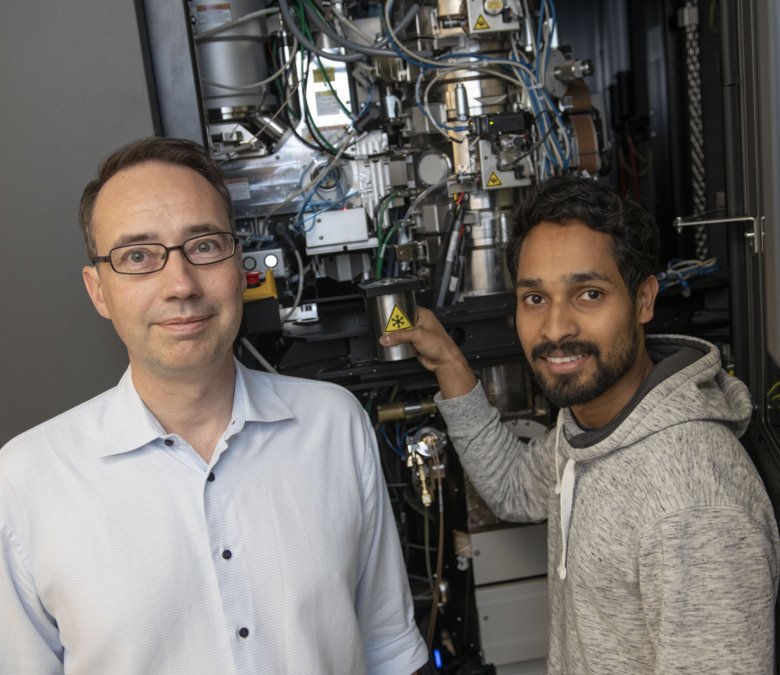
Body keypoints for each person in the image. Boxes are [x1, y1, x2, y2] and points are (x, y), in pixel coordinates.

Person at [0, 137, 428, 674]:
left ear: (238, 265)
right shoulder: (27, 480)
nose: (180, 284)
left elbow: (387, 647)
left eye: (203, 246)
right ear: (98, 291)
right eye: (138, 256)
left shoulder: (334, 426)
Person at [380, 175, 780, 673]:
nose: (555, 329)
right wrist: (449, 366)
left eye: (588, 294)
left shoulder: (692, 506)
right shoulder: (599, 426)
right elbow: (511, 487)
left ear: (643, 300)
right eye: (535, 298)